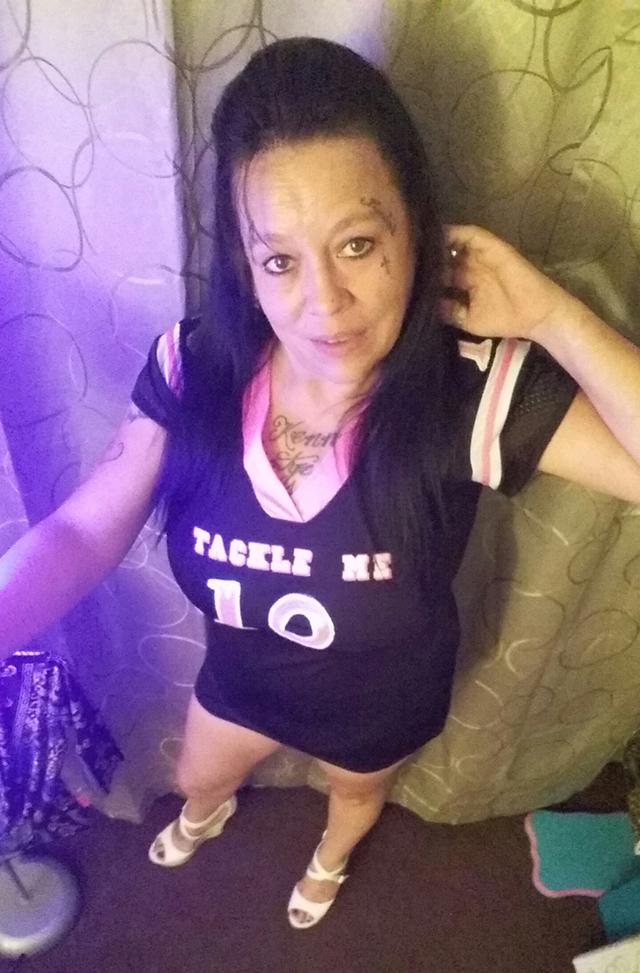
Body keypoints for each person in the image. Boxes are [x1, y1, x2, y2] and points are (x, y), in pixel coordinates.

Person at [1, 37, 639, 930]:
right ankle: (204, 816)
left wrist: (550, 315)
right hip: (241, 681)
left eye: (358, 244)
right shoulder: (199, 367)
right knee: (196, 776)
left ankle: (330, 862)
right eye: (280, 261)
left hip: (380, 705)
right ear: (245, 266)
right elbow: (81, 530)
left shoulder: (466, 391)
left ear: (417, 231)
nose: (325, 302)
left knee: (353, 799)